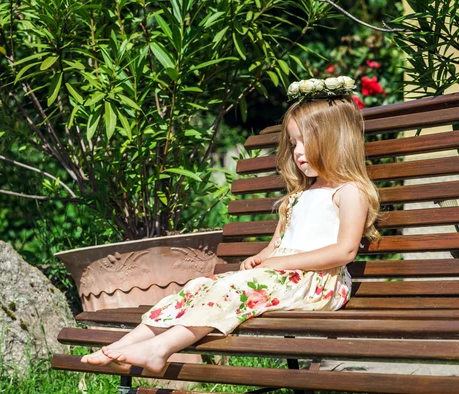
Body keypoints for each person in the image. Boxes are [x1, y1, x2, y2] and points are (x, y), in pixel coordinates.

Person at [80, 76, 380, 374]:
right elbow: (277, 244)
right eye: (293, 143)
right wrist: (263, 257)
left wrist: (279, 263)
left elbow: (345, 251)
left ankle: (160, 349)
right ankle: (124, 344)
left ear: (334, 141)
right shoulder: (299, 196)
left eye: (306, 142)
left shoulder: (348, 192)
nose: (298, 152)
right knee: (200, 285)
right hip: (285, 277)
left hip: (318, 284)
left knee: (231, 291)